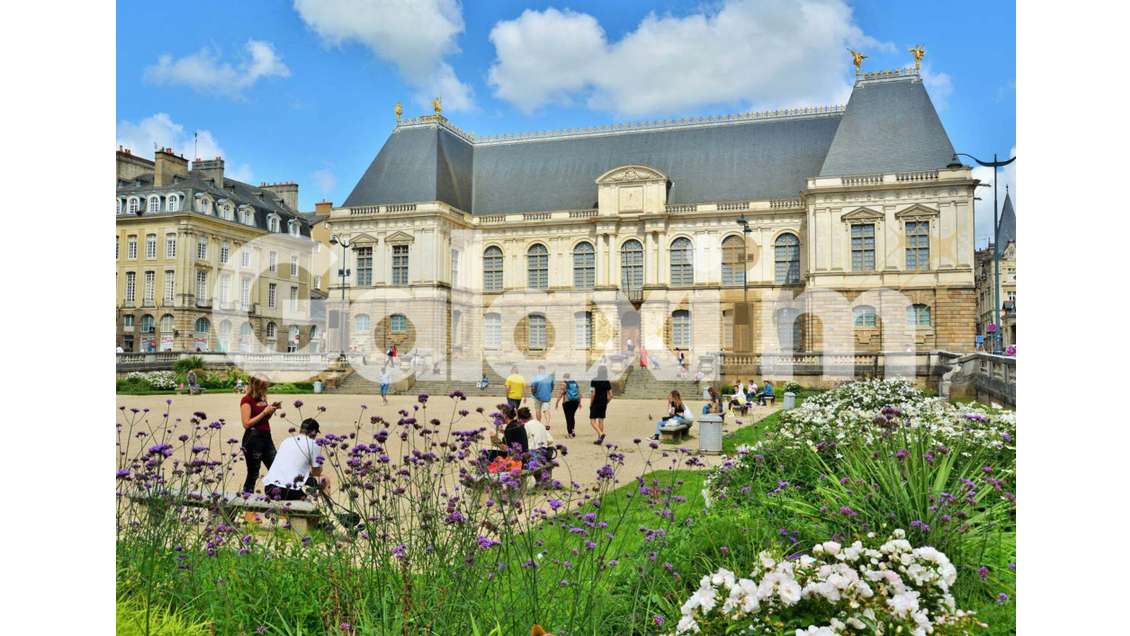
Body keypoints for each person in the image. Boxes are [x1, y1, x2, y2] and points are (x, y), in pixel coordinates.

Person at [263, 418, 330, 501]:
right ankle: (324, 507)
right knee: (325, 480)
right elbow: (316, 472)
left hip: (270, 488)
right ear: (313, 432)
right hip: (291, 491)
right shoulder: (314, 444)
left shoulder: (286, 441)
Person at [240, 375, 280, 494]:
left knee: (276, 468)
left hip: (266, 437)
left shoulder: (262, 399)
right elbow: (246, 423)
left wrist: (271, 411)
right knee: (253, 473)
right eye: (264, 387)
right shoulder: (246, 400)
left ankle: (276, 495)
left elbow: (264, 420)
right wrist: (264, 412)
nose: (266, 389)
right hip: (253, 439)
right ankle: (247, 499)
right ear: (257, 386)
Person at [518, 406, 555, 481]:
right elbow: (550, 440)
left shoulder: (525, 426)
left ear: (521, 419)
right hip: (545, 453)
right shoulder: (539, 424)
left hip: (533, 455)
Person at [588, 365, 612, 445]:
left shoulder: (594, 380)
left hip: (596, 402)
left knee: (592, 421)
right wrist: (606, 402)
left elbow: (593, 394)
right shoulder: (607, 381)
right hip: (603, 403)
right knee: (601, 420)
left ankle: (601, 434)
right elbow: (611, 395)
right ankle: (599, 439)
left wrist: (591, 404)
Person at [555, 372, 582, 438]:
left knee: (568, 417)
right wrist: (579, 403)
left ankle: (569, 433)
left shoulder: (564, 383)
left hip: (567, 402)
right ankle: (572, 430)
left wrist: (557, 403)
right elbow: (579, 393)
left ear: (564, 377)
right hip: (575, 402)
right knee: (572, 416)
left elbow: (561, 393)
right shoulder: (575, 383)